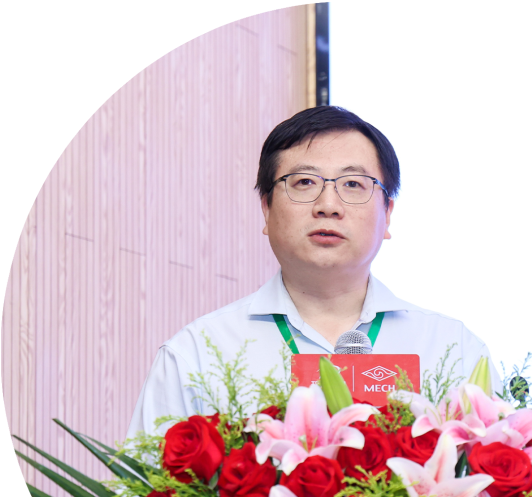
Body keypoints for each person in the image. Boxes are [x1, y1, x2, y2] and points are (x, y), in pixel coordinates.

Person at [127, 106, 501, 438]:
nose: (328, 205)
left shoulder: (454, 351)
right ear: (266, 208)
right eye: (305, 182)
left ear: (387, 214)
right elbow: (141, 490)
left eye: (353, 184)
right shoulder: (195, 356)